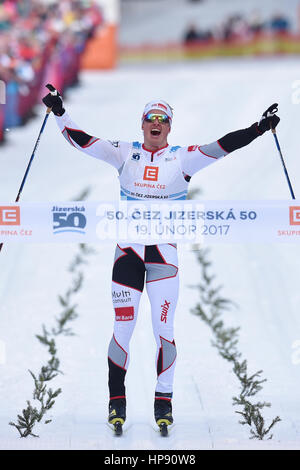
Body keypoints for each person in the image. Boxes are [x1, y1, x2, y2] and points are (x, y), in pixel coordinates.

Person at [42, 84, 280, 434]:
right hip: (127, 254)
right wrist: (60, 113)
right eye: (150, 119)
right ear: (142, 125)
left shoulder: (182, 159)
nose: (156, 124)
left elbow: (224, 145)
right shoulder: (124, 153)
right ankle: (116, 403)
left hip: (164, 259)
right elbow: (83, 140)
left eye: (162, 120)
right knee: (122, 328)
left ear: (169, 126)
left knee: (163, 331)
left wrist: (259, 128)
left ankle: (163, 402)